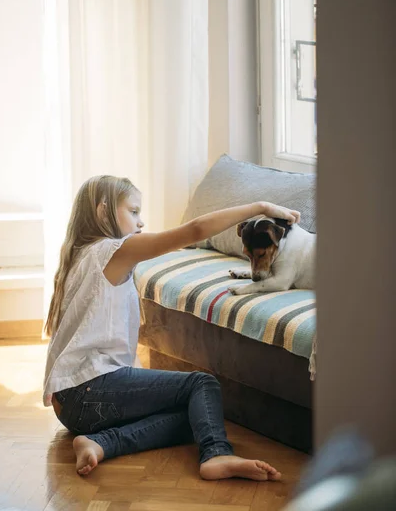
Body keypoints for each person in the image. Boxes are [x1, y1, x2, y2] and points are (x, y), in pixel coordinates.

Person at [43, 175, 300, 479]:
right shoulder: (112, 251)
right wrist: (260, 206)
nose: (141, 222)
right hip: (89, 392)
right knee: (201, 385)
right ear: (103, 212)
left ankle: (99, 444)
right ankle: (216, 454)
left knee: (195, 414)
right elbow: (194, 230)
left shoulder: (80, 255)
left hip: (71, 404)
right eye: (134, 211)